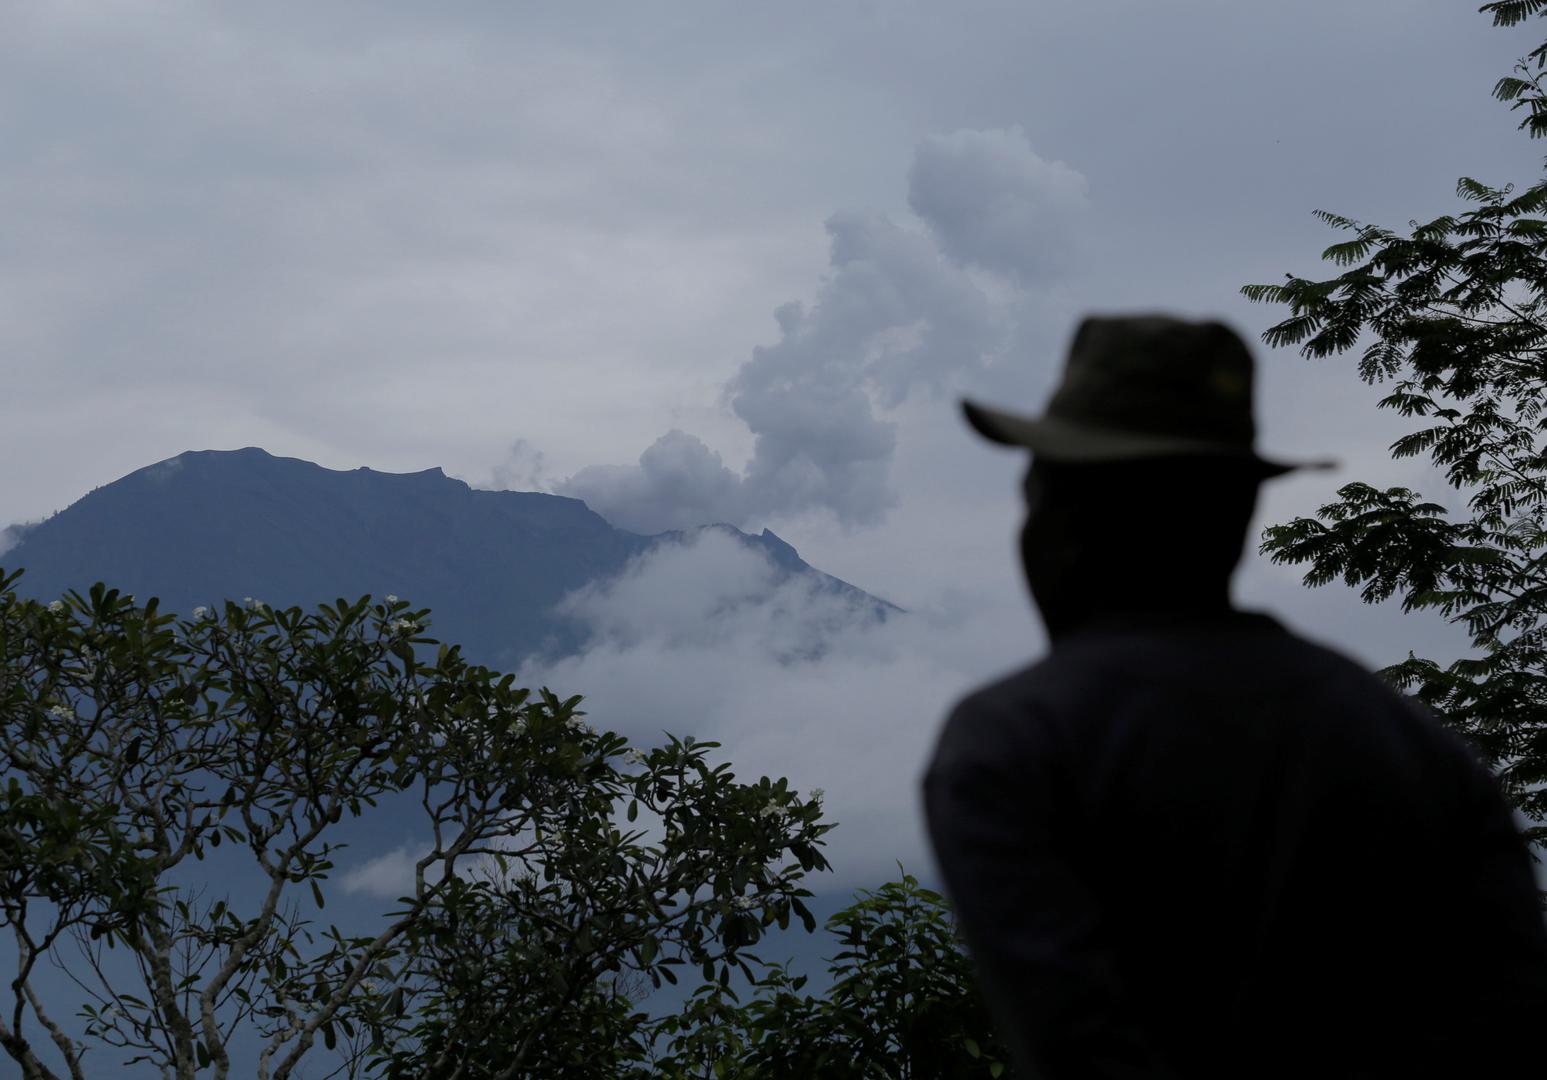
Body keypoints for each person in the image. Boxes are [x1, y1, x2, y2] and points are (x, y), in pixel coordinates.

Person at [922, 314, 1547, 1078]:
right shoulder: (1411, 743)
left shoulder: (1013, 744)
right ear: (1237, 515)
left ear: (1062, 517)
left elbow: (1078, 1050)